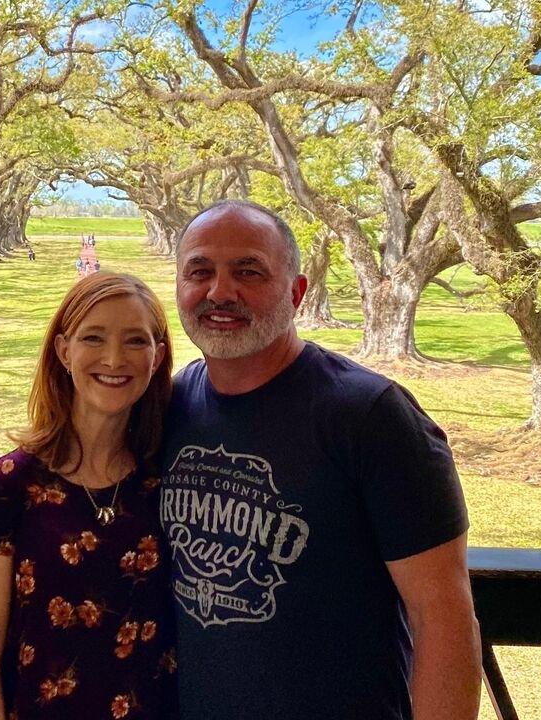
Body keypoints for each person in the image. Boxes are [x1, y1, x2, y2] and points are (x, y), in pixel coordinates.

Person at [162, 199, 481, 720]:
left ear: (297, 292)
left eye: (248, 271)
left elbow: (441, 617)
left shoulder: (371, 416)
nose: (220, 291)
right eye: (200, 271)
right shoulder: (172, 406)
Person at [0, 273, 178, 720]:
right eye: (93, 337)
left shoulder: (171, 482)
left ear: (157, 357)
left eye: (136, 341)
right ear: (63, 350)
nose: (114, 359)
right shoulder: (5, 486)